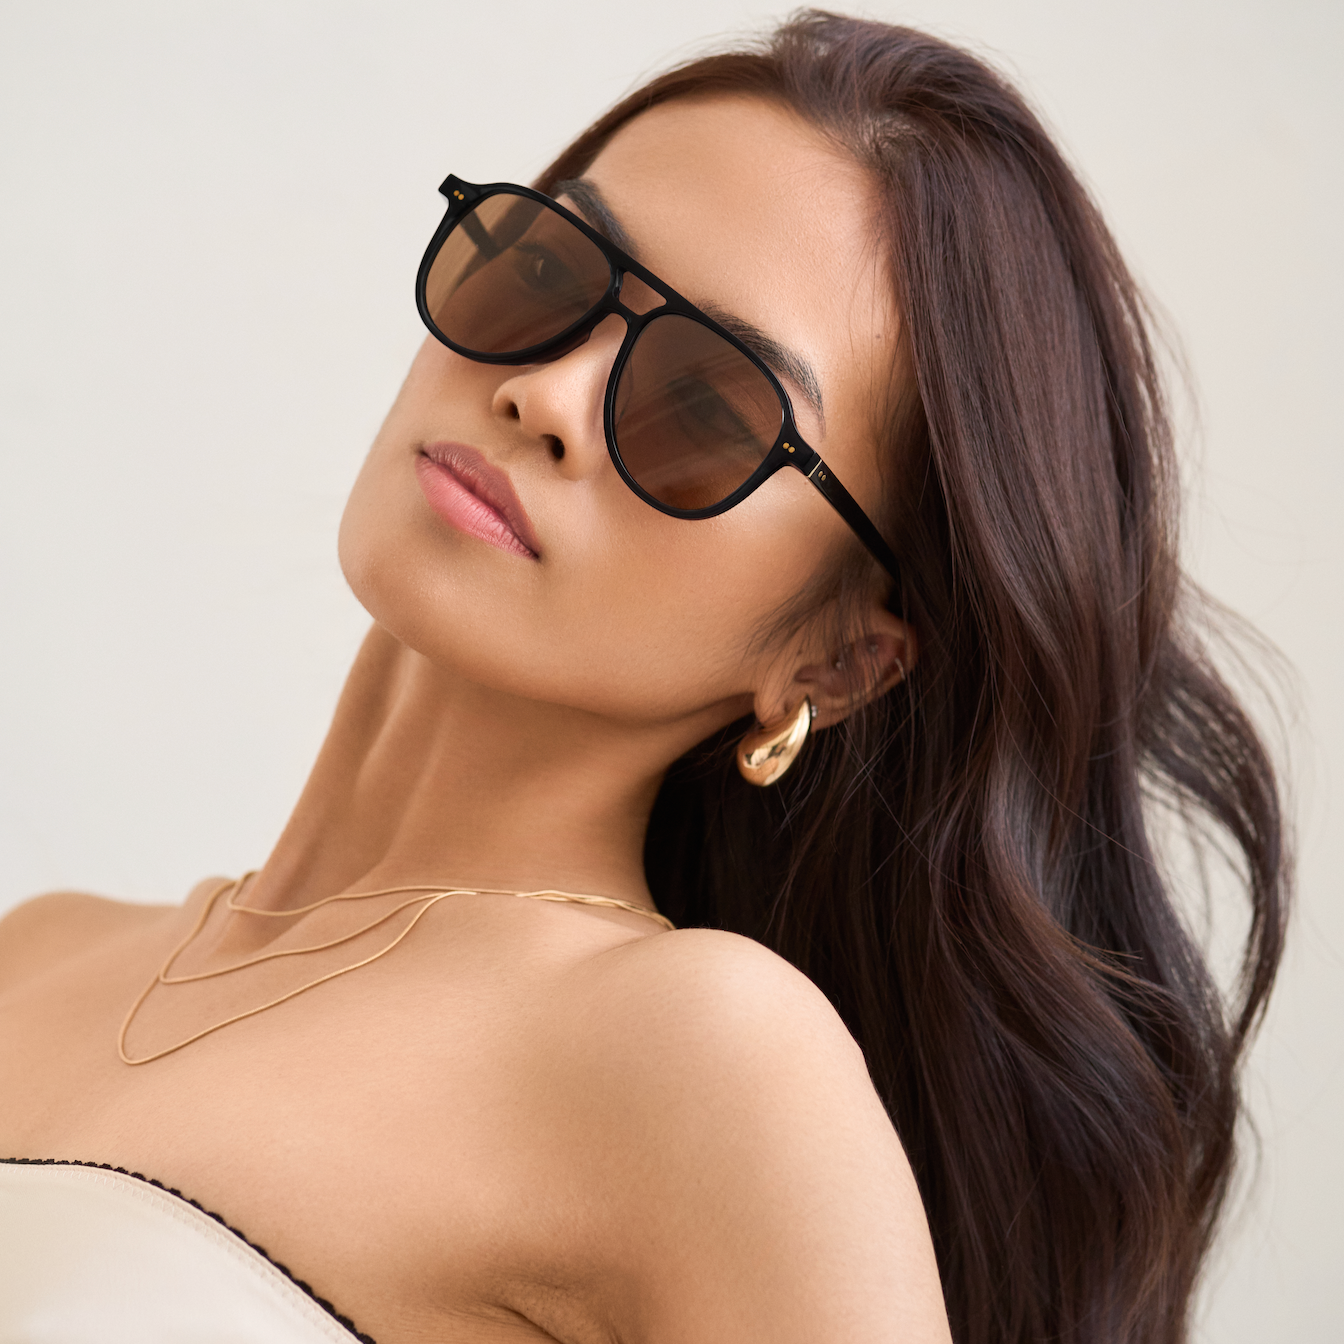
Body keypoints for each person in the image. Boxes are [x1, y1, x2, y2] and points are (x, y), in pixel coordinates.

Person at [0, 11, 1288, 1344]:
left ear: (838, 658)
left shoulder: (706, 1066)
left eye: (708, 407)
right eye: (549, 271)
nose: (545, 393)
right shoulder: (33, 959)